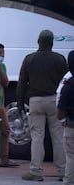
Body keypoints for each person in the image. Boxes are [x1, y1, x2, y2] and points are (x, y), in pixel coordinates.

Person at [17, 29, 67, 181]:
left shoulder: (29, 59)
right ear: (52, 43)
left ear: (38, 41)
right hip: (53, 100)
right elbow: (65, 82)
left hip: (35, 101)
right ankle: (64, 171)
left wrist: (20, 103)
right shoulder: (59, 59)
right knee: (58, 137)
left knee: (37, 137)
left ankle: (36, 172)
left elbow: (21, 82)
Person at [57, 50, 74, 185]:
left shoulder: (67, 86)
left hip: (71, 126)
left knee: (71, 156)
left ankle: (68, 181)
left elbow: (60, 112)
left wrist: (63, 120)